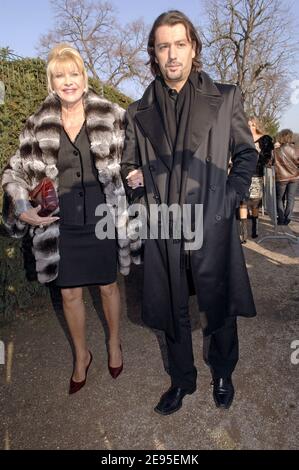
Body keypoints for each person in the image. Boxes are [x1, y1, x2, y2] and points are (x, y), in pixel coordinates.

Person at [121, 10, 258, 415]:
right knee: (171, 306)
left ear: (193, 48)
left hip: (211, 219)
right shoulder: (137, 110)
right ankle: (182, 379)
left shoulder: (226, 96)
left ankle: (222, 371)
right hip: (164, 225)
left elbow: (247, 153)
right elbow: (129, 165)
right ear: (154, 53)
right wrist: (139, 194)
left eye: (180, 44)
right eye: (163, 46)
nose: (172, 54)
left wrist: (230, 197)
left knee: (217, 301)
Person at [2, 44, 130, 394]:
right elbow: (13, 172)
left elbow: (134, 160)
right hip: (62, 225)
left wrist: (137, 177)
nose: (68, 82)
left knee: (107, 286)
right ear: (51, 81)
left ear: (84, 76)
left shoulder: (112, 114)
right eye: (60, 76)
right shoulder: (35, 124)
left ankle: (114, 342)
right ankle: (80, 355)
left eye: (73, 74)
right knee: (70, 294)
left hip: (104, 219)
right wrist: (19, 202)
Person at [239, 117, 274, 242]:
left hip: (256, 175)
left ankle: (255, 228)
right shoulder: (241, 138)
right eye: (248, 125)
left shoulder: (265, 139)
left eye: (253, 125)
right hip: (242, 175)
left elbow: (267, 157)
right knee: (242, 202)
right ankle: (243, 233)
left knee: (254, 204)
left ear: (256, 125)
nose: (250, 127)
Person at [274, 129, 299, 225]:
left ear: (281, 137)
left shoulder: (276, 151)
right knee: (291, 198)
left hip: (281, 178)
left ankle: (280, 218)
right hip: (294, 177)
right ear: (290, 137)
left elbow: (270, 162)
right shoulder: (296, 150)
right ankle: (287, 219)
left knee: (279, 198)